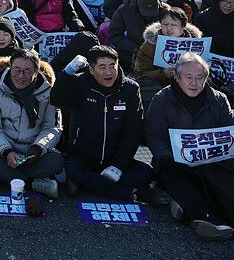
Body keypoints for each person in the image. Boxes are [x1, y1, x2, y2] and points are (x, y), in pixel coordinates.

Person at [145, 53, 234, 242]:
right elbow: (155, 136)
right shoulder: (162, 99)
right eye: (188, 77)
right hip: (174, 163)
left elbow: (232, 137)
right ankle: (206, 219)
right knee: (180, 180)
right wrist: (166, 157)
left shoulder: (219, 100)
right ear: (177, 77)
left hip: (211, 162)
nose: (194, 83)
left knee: (224, 185)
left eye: (199, 78)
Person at [52, 45, 156, 201]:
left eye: (112, 66)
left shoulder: (130, 89)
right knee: (72, 169)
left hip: (115, 157)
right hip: (83, 156)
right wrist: (66, 74)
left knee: (146, 172)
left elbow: (133, 130)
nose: (108, 72)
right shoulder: (80, 83)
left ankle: (86, 184)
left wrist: (118, 165)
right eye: (102, 67)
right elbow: (56, 100)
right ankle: (129, 193)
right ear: (92, 70)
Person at [0, 48, 64, 205]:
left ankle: (2, 176)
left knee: (56, 161)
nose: (21, 76)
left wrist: (37, 149)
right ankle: (33, 183)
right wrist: (6, 151)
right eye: (16, 70)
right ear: (10, 68)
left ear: (36, 72)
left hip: (32, 149)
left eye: (27, 71)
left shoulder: (49, 91)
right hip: (4, 147)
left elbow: (52, 128)